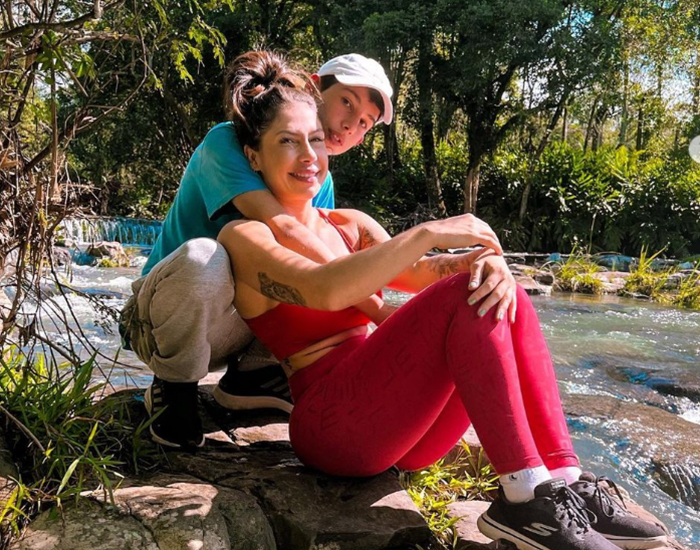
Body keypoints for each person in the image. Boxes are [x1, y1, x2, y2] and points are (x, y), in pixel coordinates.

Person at [215, 51, 668, 550]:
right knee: (464, 297)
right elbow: (325, 288)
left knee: (501, 290)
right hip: (332, 427)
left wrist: (485, 261)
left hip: (405, 429)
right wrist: (429, 232)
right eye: (287, 141)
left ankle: (564, 481)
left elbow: (427, 274)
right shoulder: (245, 235)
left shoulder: (349, 224)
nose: (308, 156)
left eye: (316, 140)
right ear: (253, 156)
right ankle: (523, 499)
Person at [119, 51, 397, 449]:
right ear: (314, 88)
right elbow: (283, 228)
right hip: (166, 318)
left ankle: (255, 373)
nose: (351, 124)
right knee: (208, 256)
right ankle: (174, 384)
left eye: (365, 123)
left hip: (236, 327)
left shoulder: (318, 177)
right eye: (347, 103)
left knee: (315, 262)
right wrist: (380, 312)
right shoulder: (227, 143)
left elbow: (317, 265)